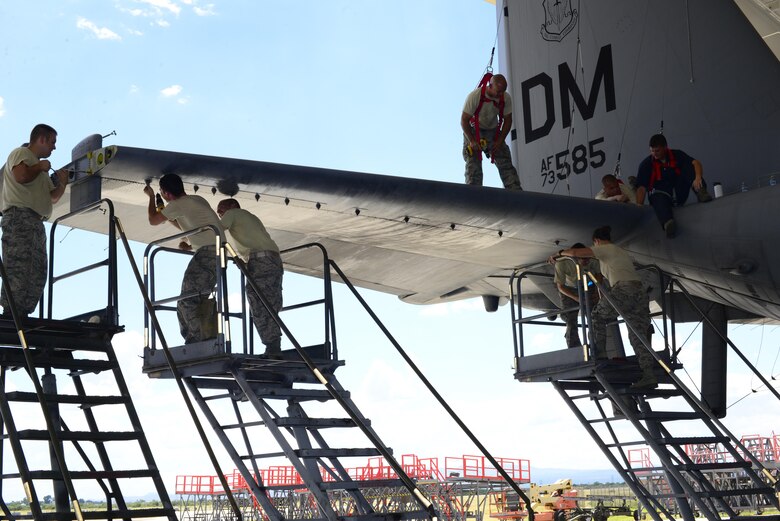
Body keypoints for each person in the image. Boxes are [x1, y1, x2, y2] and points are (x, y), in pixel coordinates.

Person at [551, 226, 656, 389]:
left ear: (596, 241)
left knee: (596, 316)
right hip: (639, 292)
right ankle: (649, 374)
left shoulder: (604, 249)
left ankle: (599, 354)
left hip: (624, 289)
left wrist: (558, 254)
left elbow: (575, 254)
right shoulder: (618, 251)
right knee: (637, 334)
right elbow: (596, 276)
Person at [144, 173, 223, 344]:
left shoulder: (178, 204)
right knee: (196, 298)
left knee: (187, 300)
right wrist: (167, 215)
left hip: (207, 254)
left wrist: (151, 197)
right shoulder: (196, 200)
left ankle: (196, 342)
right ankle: (204, 337)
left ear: (165, 193)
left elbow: (153, 220)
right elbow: (185, 224)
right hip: (216, 253)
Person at [1, 124, 69, 316]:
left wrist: (62, 182)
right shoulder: (21, 153)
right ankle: (11, 312)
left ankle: (22, 312)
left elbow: (52, 197)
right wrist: (39, 167)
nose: (54, 147)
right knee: (18, 267)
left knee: (37, 270)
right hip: (20, 217)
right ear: (42, 139)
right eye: (52, 142)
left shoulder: (40, 167)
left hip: (36, 222)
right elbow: (20, 175)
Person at [217, 198, 284, 358]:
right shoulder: (250, 217)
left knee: (258, 300)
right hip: (273, 259)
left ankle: (272, 345)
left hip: (260, 260)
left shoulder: (234, 213)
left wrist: (188, 242)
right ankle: (274, 344)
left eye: (221, 210)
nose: (220, 214)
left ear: (233, 205)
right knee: (270, 300)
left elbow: (215, 230)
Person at [635, 134, 712, 238]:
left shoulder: (677, 155)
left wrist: (698, 177)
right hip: (661, 194)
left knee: (688, 166)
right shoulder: (646, 164)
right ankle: (668, 223)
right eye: (652, 151)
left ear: (665, 147)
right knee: (656, 196)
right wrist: (639, 207)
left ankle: (701, 192)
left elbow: (696, 163)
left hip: (678, 192)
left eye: (657, 151)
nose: (654, 154)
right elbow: (641, 188)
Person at [461, 73, 522, 191]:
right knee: (473, 164)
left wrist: (500, 141)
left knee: (505, 161)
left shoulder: (505, 98)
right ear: (490, 86)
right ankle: (473, 194)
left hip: (492, 131)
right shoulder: (475, 97)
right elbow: (464, 120)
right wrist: (472, 141)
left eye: (502, 92)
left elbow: (508, 121)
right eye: (498, 91)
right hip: (474, 130)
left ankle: (515, 192)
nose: (500, 95)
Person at [552, 243, 601, 348]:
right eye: (583, 259)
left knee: (595, 317)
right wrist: (577, 298)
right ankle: (574, 348)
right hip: (569, 289)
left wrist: (598, 291)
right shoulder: (562, 263)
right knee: (570, 320)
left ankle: (596, 347)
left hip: (589, 286)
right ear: (573, 256)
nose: (586, 261)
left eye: (587, 258)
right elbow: (560, 287)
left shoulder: (593, 261)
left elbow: (598, 275)